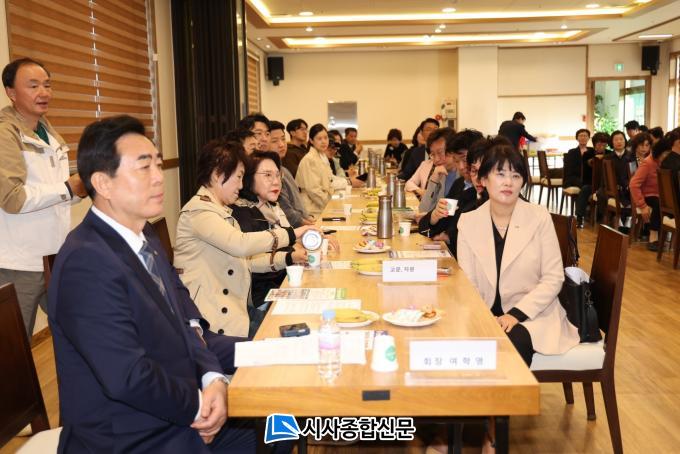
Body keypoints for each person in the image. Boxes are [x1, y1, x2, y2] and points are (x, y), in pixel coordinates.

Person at [47, 115, 257, 452]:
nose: (159, 177)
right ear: (103, 183)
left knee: (277, 422)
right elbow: (127, 376)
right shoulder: (86, 261)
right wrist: (198, 407)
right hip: (128, 435)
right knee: (270, 428)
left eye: (158, 165)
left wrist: (213, 377)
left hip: (167, 404)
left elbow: (187, 326)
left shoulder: (144, 233)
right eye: (144, 167)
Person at [174, 139, 315, 339]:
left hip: (235, 308)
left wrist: (288, 258)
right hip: (211, 321)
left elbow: (246, 263)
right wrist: (292, 234)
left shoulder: (221, 210)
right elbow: (241, 244)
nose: (241, 185)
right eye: (238, 177)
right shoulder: (199, 212)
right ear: (217, 175)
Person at [458, 139, 579, 367]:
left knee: (509, 344)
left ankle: (512, 391)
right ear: (483, 179)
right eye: (500, 174)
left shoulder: (539, 217)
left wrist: (514, 315)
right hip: (484, 312)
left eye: (516, 175)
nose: (508, 182)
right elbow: (468, 283)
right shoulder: (468, 222)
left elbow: (553, 278)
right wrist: (486, 318)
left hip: (533, 315)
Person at [0, 58, 86, 337]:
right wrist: (68, 188)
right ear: (11, 92)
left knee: (78, 333)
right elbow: (12, 198)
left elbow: (54, 190)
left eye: (47, 85)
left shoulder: (48, 131)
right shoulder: (5, 132)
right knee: (14, 347)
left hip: (53, 255)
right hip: (18, 264)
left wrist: (79, 189)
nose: (43, 92)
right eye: (33, 85)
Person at [230, 151, 308, 333]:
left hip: (281, 283)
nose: (276, 182)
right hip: (259, 298)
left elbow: (290, 240)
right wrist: (291, 255)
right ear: (249, 178)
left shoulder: (272, 206)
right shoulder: (241, 213)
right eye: (267, 175)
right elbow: (252, 263)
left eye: (278, 175)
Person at [418, 138, 489, 258]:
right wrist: (434, 217)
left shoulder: (481, 193)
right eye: (457, 161)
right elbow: (430, 226)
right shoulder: (460, 186)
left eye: (465, 160)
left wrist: (450, 237)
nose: (461, 167)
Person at [418, 129, 483, 214]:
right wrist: (433, 181)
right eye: (433, 154)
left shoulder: (467, 179)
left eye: (440, 153)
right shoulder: (442, 176)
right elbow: (424, 209)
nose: (436, 159)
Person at [269, 120, 314, 227]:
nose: (281, 144)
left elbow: (297, 203)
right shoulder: (272, 174)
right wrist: (309, 225)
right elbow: (286, 211)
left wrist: (309, 218)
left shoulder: (284, 170)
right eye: (274, 141)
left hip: (304, 221)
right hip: (293, 229)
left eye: (283, 139)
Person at [630, 138, 665, 251]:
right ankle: (653, 237)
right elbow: (633, 184)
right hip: (648, 195)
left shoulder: (667, 163)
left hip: (662, 195)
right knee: (658, 203)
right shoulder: (648, 163)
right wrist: (642, 205)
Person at [296, 123, 335, 218]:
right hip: (312, 208)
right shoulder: (309, 159)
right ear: (311, 141)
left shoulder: (322, 156)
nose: (324, 141)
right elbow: (313, 190)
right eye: (319, 139)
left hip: (322, 203)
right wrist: (330, 204)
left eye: (325, 138)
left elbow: (330, 180)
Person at [563, 128, 595, 227]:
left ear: (588, 138)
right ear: (577, 138)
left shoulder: (592, 151)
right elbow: (569, 169)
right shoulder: (572, 152)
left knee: (585, 187)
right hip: (573, 178)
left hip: (587, 179)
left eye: (585, 136)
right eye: (581, 136)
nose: (583, 138)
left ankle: (581, 215)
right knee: (585, 185)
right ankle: (584, 212)